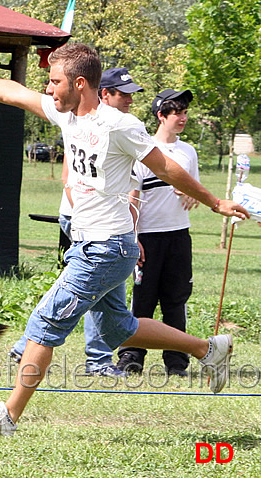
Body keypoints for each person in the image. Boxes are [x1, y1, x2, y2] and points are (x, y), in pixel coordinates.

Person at [0, 42, 249, 437]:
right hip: (93, 244)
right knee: (120, 328)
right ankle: (208, 349)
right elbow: (13, 93)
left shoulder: (118, 125)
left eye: (55, 81)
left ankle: (7, 416)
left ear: (79, 83)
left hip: (106, 247)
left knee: (44, 322)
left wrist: (215, 200)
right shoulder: (67, 117)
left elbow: (167, 168)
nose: (48, 89)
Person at [9, 67, 145, 377]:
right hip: (88, 227)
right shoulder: (77, 121)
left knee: (108, 310)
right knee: (78, 295)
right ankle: (35, 346)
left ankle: (201, 348)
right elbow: (69, 180)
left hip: (110, 233)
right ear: (103, 93)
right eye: (123, 94)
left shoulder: (122, 129)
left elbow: (134, 189)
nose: (129, 100)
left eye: (132, 95)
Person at [117, 89, 200, 377]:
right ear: (160, 116)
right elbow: (132, 197)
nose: (182, 118)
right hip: (148, 238)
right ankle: (131, 358)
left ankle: (177, 363)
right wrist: (134, 236)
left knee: (176, 299)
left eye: (185, 112)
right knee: (143, 300)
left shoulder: (188, 152)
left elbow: (195, 191)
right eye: (177, 112)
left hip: (179, 236)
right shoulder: (144, 150)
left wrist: (192, 195)